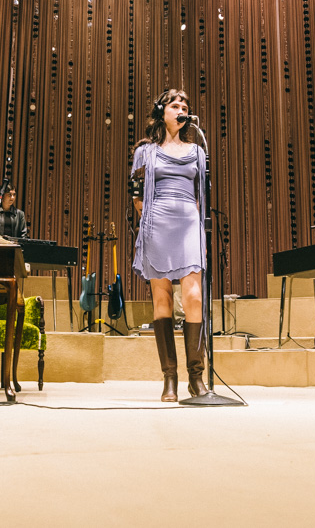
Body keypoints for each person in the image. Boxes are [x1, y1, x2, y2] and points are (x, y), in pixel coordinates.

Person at [132, 88, 207, 402]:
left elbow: (203, 192)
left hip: (189, 221)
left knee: (193, 296)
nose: (182, 108)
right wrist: (148, 223)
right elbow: (136, 194)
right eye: (175, 104)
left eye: (185, 105)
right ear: (161, 111)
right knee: (162, 298)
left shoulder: (198, 151)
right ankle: (170, 378)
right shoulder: (144, 152)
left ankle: (196, 377)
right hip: (156, 222)